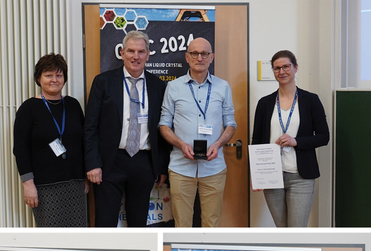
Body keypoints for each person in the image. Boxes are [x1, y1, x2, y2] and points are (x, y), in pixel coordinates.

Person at [84, 31, 169, 227]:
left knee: (138, 223)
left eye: (141, 51)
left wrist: (161, 166)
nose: (135, 56)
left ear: (148, 55)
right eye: (131, 51)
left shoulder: (158, 86)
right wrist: (92, 164)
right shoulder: (103, 82)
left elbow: (162, 129)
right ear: (122, 53)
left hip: (144, 163)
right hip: (108, 163)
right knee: (105, 223)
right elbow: (90, 127)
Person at [159, 38, 236, 228]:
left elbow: (231, 124)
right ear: (187, 57)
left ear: (212, 57)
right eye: (194, 53)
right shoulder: (173, 87)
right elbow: (163, 125)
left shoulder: (223, 87)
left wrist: (218, 145)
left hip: (214, 168)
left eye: (204, 54)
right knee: (182, 224)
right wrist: (181, 144)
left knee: (211, 223)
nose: (199, 57)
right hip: (181, 167)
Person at [251, 50, 330, 227]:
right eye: (277, 68)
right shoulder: (265, 103)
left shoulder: (310, 100)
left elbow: (324, 136)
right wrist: (256, 173)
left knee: (296, 230)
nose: (282, 71)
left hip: (300, 176)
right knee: (281, 229)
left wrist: (297, 141)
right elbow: (256, 140)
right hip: (271, 175)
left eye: (286, 66)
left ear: (295, 68)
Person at [13, 53, 87, 227]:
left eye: (59, 75)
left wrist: (84, 177)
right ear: (39, 78)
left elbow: (83, 142)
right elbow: (20, 149)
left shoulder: (73, 105)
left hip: (75, 184)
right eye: (48, 75)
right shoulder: (28, 108)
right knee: (51, 233)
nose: (54, 80)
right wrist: (28, 185)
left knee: (78, 234)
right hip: (44, 187)